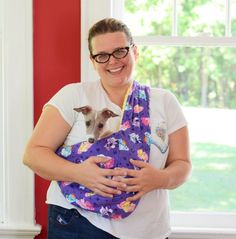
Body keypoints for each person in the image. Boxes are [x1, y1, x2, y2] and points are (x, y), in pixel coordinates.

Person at [23, 17, 191, 239]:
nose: (112, 61)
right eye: (102, 55)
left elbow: (182, 164)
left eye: (120, 51)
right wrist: (80, 174)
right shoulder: (73, 95)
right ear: (93, 61)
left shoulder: (164, 101)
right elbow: (33, 155)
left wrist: (161, 179)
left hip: (148, 229)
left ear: (135, 52)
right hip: (79, 224)